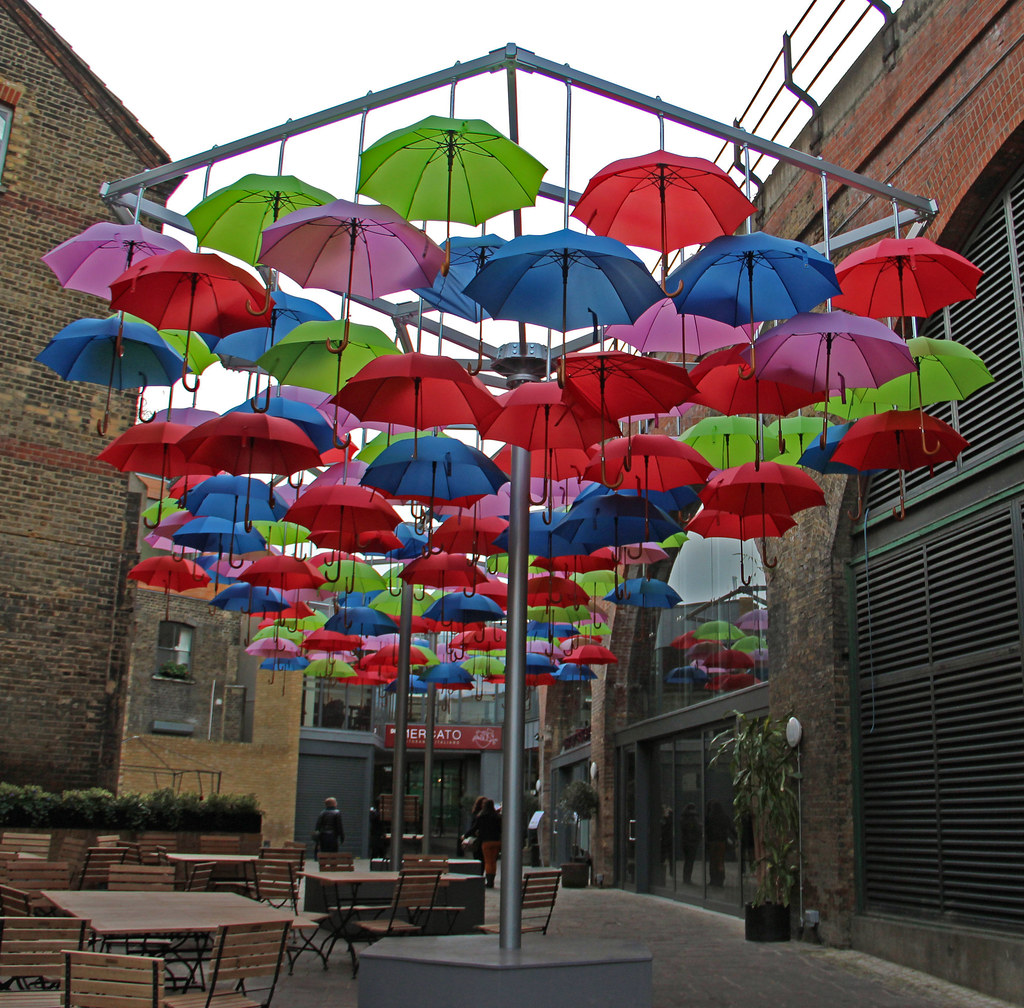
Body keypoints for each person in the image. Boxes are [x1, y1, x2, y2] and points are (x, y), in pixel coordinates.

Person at [463, 796, 501, 888]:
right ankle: (491, 879)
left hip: (486, 841)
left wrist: (465, 835)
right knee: (493, 861)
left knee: (487, 861)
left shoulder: (481, 816)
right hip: (496, 841)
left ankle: (489, 881)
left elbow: (474, 828)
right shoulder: (497, 817)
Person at [705, 800, 734, 888]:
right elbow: (730, 828)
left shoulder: (710, 817)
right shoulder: (724, 817)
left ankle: (713, 879)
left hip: (712, 841)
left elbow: (706, 829)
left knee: (713, 861)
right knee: (720, 861)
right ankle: (720, 879)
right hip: (722, 841)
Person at [680, 803, 702, 884]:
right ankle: (687, 878)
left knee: (687, 861)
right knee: (690, 861)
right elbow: (697, 829)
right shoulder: (694, 818)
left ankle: (686, 878)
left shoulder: (683, 817)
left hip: (685, 841)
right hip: (692, 842)